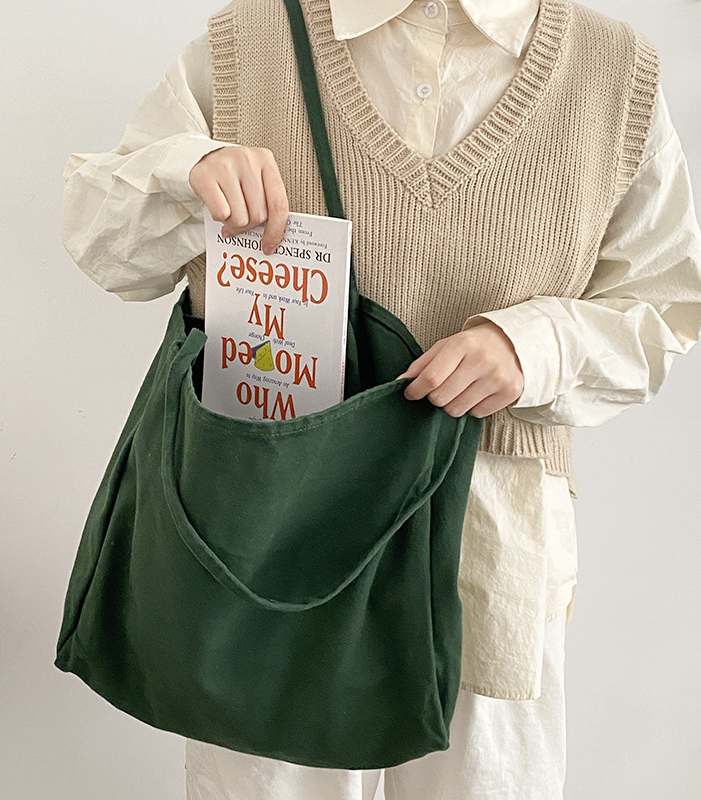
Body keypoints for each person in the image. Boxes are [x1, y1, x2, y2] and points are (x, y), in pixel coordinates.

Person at [60, 0, 701, 797]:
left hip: (486, 542)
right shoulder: (252, 42)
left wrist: (535, 347)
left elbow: (665, 306)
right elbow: (101, 239)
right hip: (270, 532)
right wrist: (188, 171)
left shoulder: (611, 71)